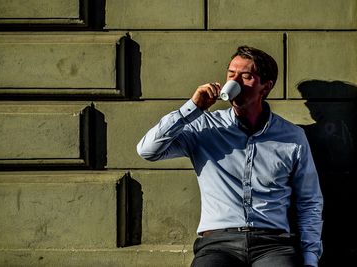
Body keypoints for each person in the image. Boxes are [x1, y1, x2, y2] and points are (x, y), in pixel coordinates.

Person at [137, 46, 323, 267]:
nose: (234, 82)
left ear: (266, 86)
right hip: (217, 244)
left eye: (246, 77)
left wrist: (310, 259)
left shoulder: (292, 137)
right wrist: (192, 108)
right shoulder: (205, 127)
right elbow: (148, 150)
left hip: (273, 244)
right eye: (230, 74)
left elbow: (309, 201)